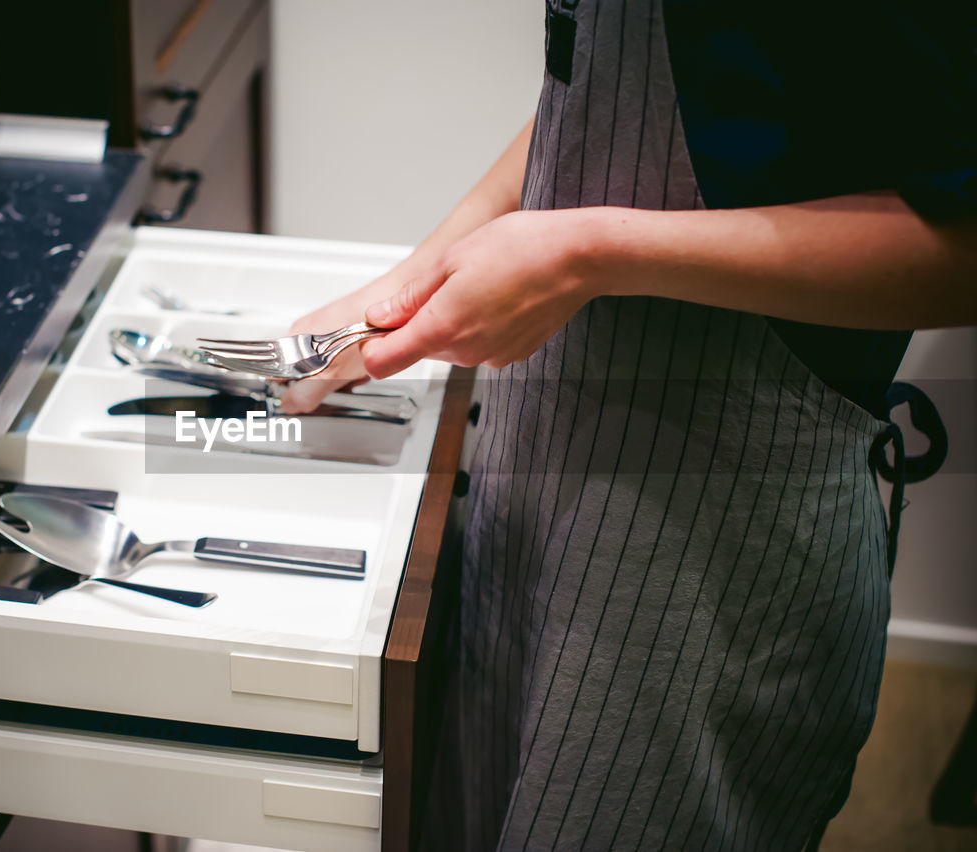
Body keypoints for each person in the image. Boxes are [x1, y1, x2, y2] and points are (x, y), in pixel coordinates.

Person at [282, 2, 976, 849]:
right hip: (536, 486)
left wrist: (592, 256)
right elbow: (584, 96)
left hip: (713, 554)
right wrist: (393, 300)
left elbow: (962, 247)